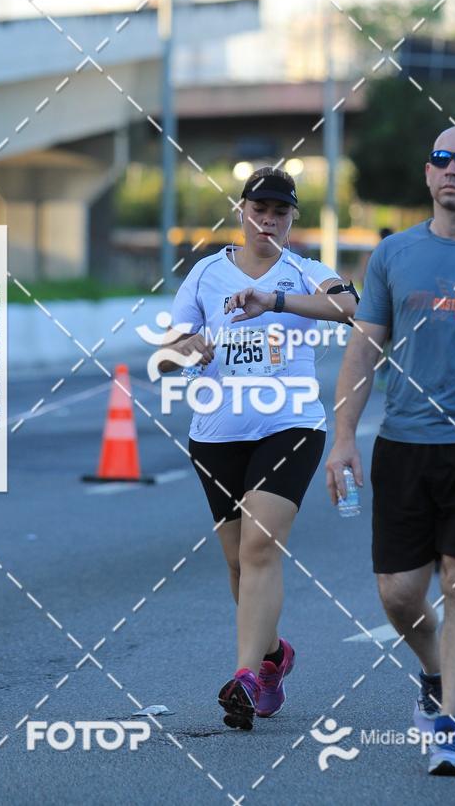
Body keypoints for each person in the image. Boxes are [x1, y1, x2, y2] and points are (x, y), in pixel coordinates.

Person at [325, 125, 455, 775]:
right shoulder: (393, 254)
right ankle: (433, 670)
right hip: (404, 440)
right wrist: (342, 439)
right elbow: (364, 349)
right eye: (442, 160)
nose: (453, 170)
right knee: (397, 592)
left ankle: (451, 725)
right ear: (427, 175)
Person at [159, 166, 358, 730]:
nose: (268, 220)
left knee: (260, 550)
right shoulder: (204, 274)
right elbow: (170, 346)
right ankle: (272, 657)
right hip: (217, 433)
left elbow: (350, 307)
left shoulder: (305, 271)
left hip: (290, 426)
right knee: (238, 565)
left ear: (292, 219)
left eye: (280, 212)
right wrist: (187, 346)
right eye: (259, 210)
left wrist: (275, 300)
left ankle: (245, 678)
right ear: (241, 211)